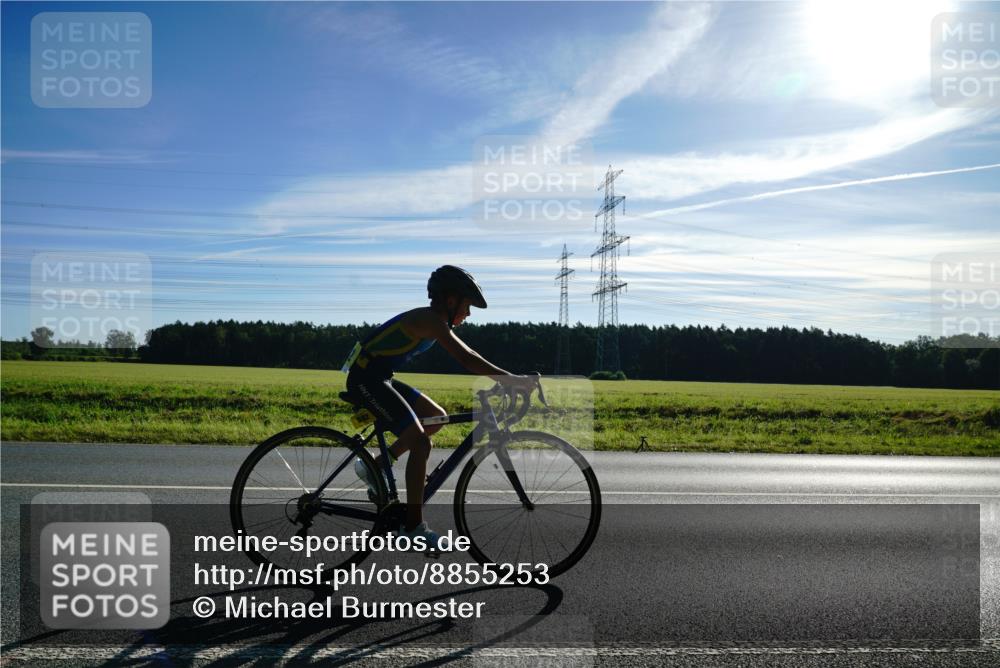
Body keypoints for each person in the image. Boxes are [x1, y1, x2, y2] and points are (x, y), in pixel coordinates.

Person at [344, 265, 535, 548]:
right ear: (450, 300)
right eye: (467, 306)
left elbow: (468, 355)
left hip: (378, 377)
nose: (468, 314)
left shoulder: (434, 321)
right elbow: (467, 357)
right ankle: (412, 528)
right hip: (366, 380)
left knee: (437, 417)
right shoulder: (431, 320)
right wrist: (512, 379)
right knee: (421, 443)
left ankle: (377, 465)